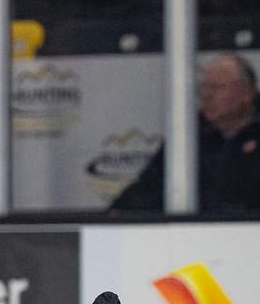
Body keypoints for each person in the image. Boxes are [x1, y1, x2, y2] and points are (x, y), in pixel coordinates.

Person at [110, 52, 260, 213]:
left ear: (246, 93)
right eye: (203, 87)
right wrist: (114, 217)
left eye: (216, 87)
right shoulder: (189, 135)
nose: (206, 95)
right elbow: (148, 188)